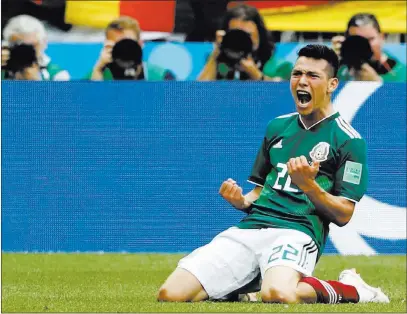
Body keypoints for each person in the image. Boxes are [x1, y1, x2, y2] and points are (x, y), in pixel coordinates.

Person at [157, 44, 390, 304]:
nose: (302, 81)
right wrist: (242, 201)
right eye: (297, 73)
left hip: (297, 231)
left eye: (313, 76)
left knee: (278, 294)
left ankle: (353, 289)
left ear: (332, 84)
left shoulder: (349, 140)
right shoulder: (277, 127)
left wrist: (309, 186)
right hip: (252, 228)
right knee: (171, 295)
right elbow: (258, 192)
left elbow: (344, 214)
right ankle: (243, 288)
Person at [198, 4, 292, 81]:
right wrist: (216, 52)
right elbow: (198, 94)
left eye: (248, 34)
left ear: (260, 35)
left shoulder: (280, 66)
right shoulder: (218, 64)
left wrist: (255, 74)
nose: (241, 40)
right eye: (236, 34)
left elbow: (280, 96)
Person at [87, 16, 174, 81]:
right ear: (107, 47)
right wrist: (98, 71)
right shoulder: (93, 76)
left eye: (128, 44)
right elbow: (89, 103)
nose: (123, 50)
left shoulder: (161, 77)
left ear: (140, 45)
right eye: (117, 46)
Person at [332, 13, 406, 82]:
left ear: (381, 37)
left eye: (370, 39)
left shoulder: (401, 73)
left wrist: (376, 84)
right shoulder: (339, 69)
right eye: (358, 40)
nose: (364, 45)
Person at [2, 14, 70, 81]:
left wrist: (36, 83)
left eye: (31, 47)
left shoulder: (57, 75)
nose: (24, 53)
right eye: (18, 46)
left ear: (44, 43)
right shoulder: (2, 67)